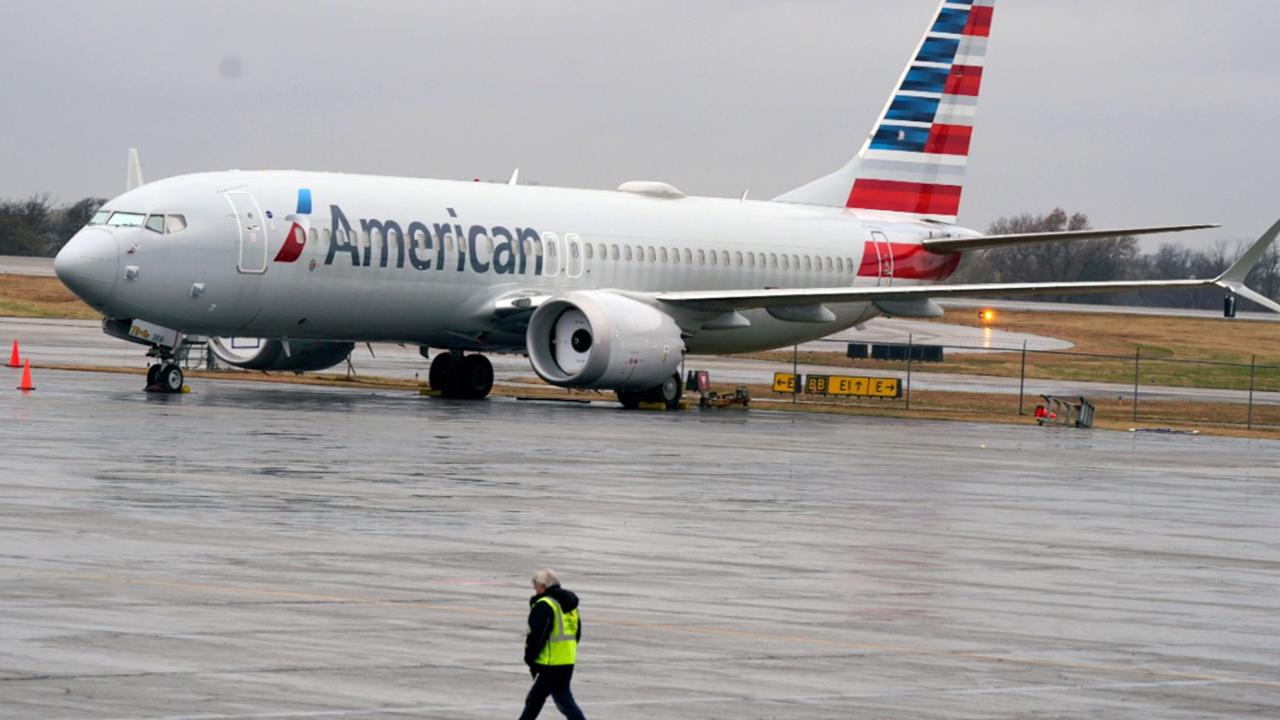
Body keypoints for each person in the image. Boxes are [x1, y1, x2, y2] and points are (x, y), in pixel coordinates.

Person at [519, 569, 587, 720]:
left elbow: (536, 635)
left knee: (556, 701)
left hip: (550, 663)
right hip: (566, 660)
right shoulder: (570, 606)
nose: (535, 590)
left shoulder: (545, 604)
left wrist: (530, 658)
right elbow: (577, 634)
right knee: (542, 699)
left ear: (543, 586)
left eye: (536, 586)